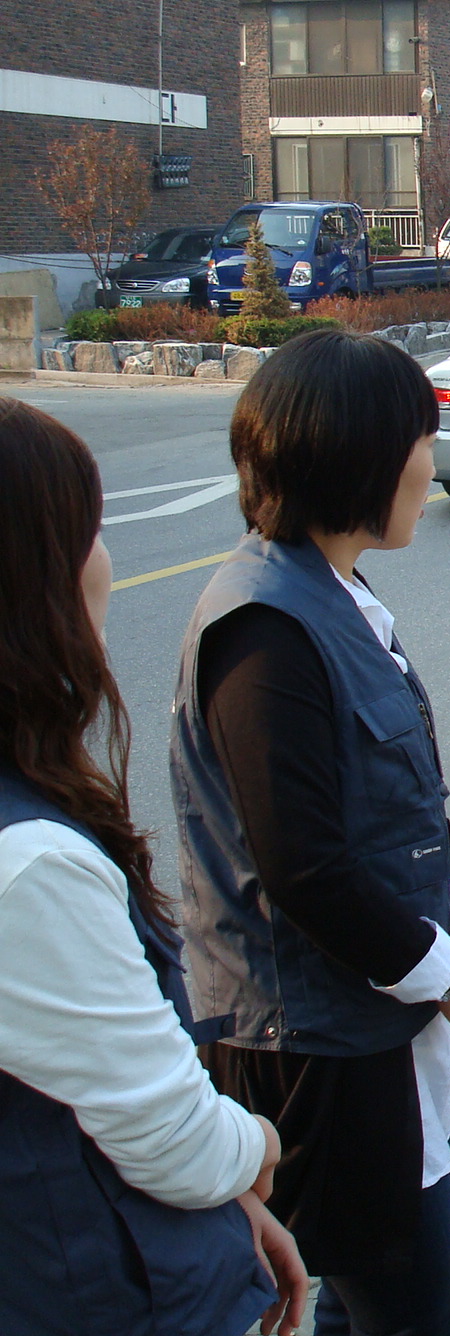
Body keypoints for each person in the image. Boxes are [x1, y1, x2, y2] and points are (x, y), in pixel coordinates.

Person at [171, 329, 450, 1334]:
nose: (430, 454)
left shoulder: (338, 592)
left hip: (369, 1026)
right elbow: (303, 867)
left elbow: (411, 795)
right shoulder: (263, 628)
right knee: (413, 1308)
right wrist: (448, 975)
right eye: (418, 433)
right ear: (358, 452)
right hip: (315, 1042)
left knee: (366, 1299)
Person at [0, 396, 306, 1336]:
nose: (103, 559)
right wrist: (251, 1147)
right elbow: (161, 1125)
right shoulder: (30, 864)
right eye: (85, 531)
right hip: (103, 1288)